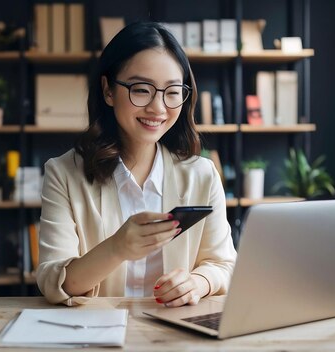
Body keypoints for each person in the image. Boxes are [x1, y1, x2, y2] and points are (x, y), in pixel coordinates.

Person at [36, 22, 236, 307]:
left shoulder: (202, 175)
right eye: (141, 90)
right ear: (108, 91)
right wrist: (117, 248)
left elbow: (224, 265)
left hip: (175, 335)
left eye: (172, 91)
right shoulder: (64, 173)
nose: (158, 108)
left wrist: (198, 283)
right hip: (96, 335)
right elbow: (54, 283)